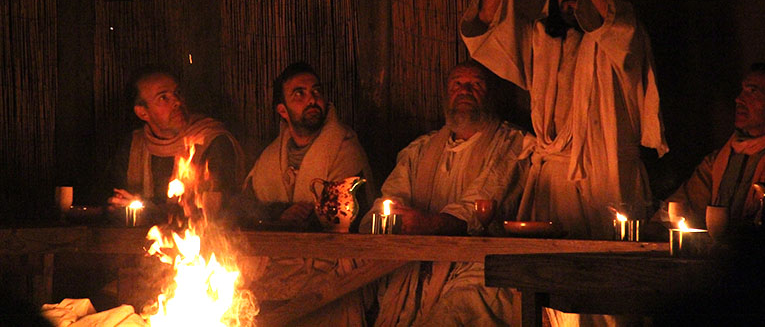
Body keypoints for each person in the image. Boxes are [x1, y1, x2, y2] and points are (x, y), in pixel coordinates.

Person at [460, 0, 669, 240]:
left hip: (606, 176)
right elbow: (485, 25)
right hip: (551, 181)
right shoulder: (540, 41)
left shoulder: (623, 40)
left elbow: (610, 17)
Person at [360, 60, 531, 327]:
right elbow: (391, 197)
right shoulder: (420, 150)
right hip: (417, 265)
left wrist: (428, 224)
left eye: (475, 84)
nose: (465, 90)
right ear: (446, 95)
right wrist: (386, 219)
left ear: (490, 94)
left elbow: (480, 205)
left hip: (477, 265)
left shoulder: (512, 144)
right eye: (457, 84)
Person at [240, 61, 375, 327]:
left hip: (327, 260)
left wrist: (303, 218)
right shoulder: (270, 158)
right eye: (299, 94)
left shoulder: (343, 146)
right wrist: (280, 214)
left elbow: (350, 212)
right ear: (283, 110)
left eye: (316, 92)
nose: (312, 99)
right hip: (277, 260)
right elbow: (247, 206)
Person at [664, 63, 765, 229]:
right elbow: (684, 204)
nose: (739, 99)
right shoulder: (719, 160)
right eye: (742, 90)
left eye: (752, 91)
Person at [108, 66, 246, 214]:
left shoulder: (212, 142)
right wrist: (120, 204)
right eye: (163, 97)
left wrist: (149, 210)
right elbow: (116, 196)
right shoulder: (133, 147)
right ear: (142, 112)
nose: (177, 102)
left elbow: (217, 209)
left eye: (177, 93)